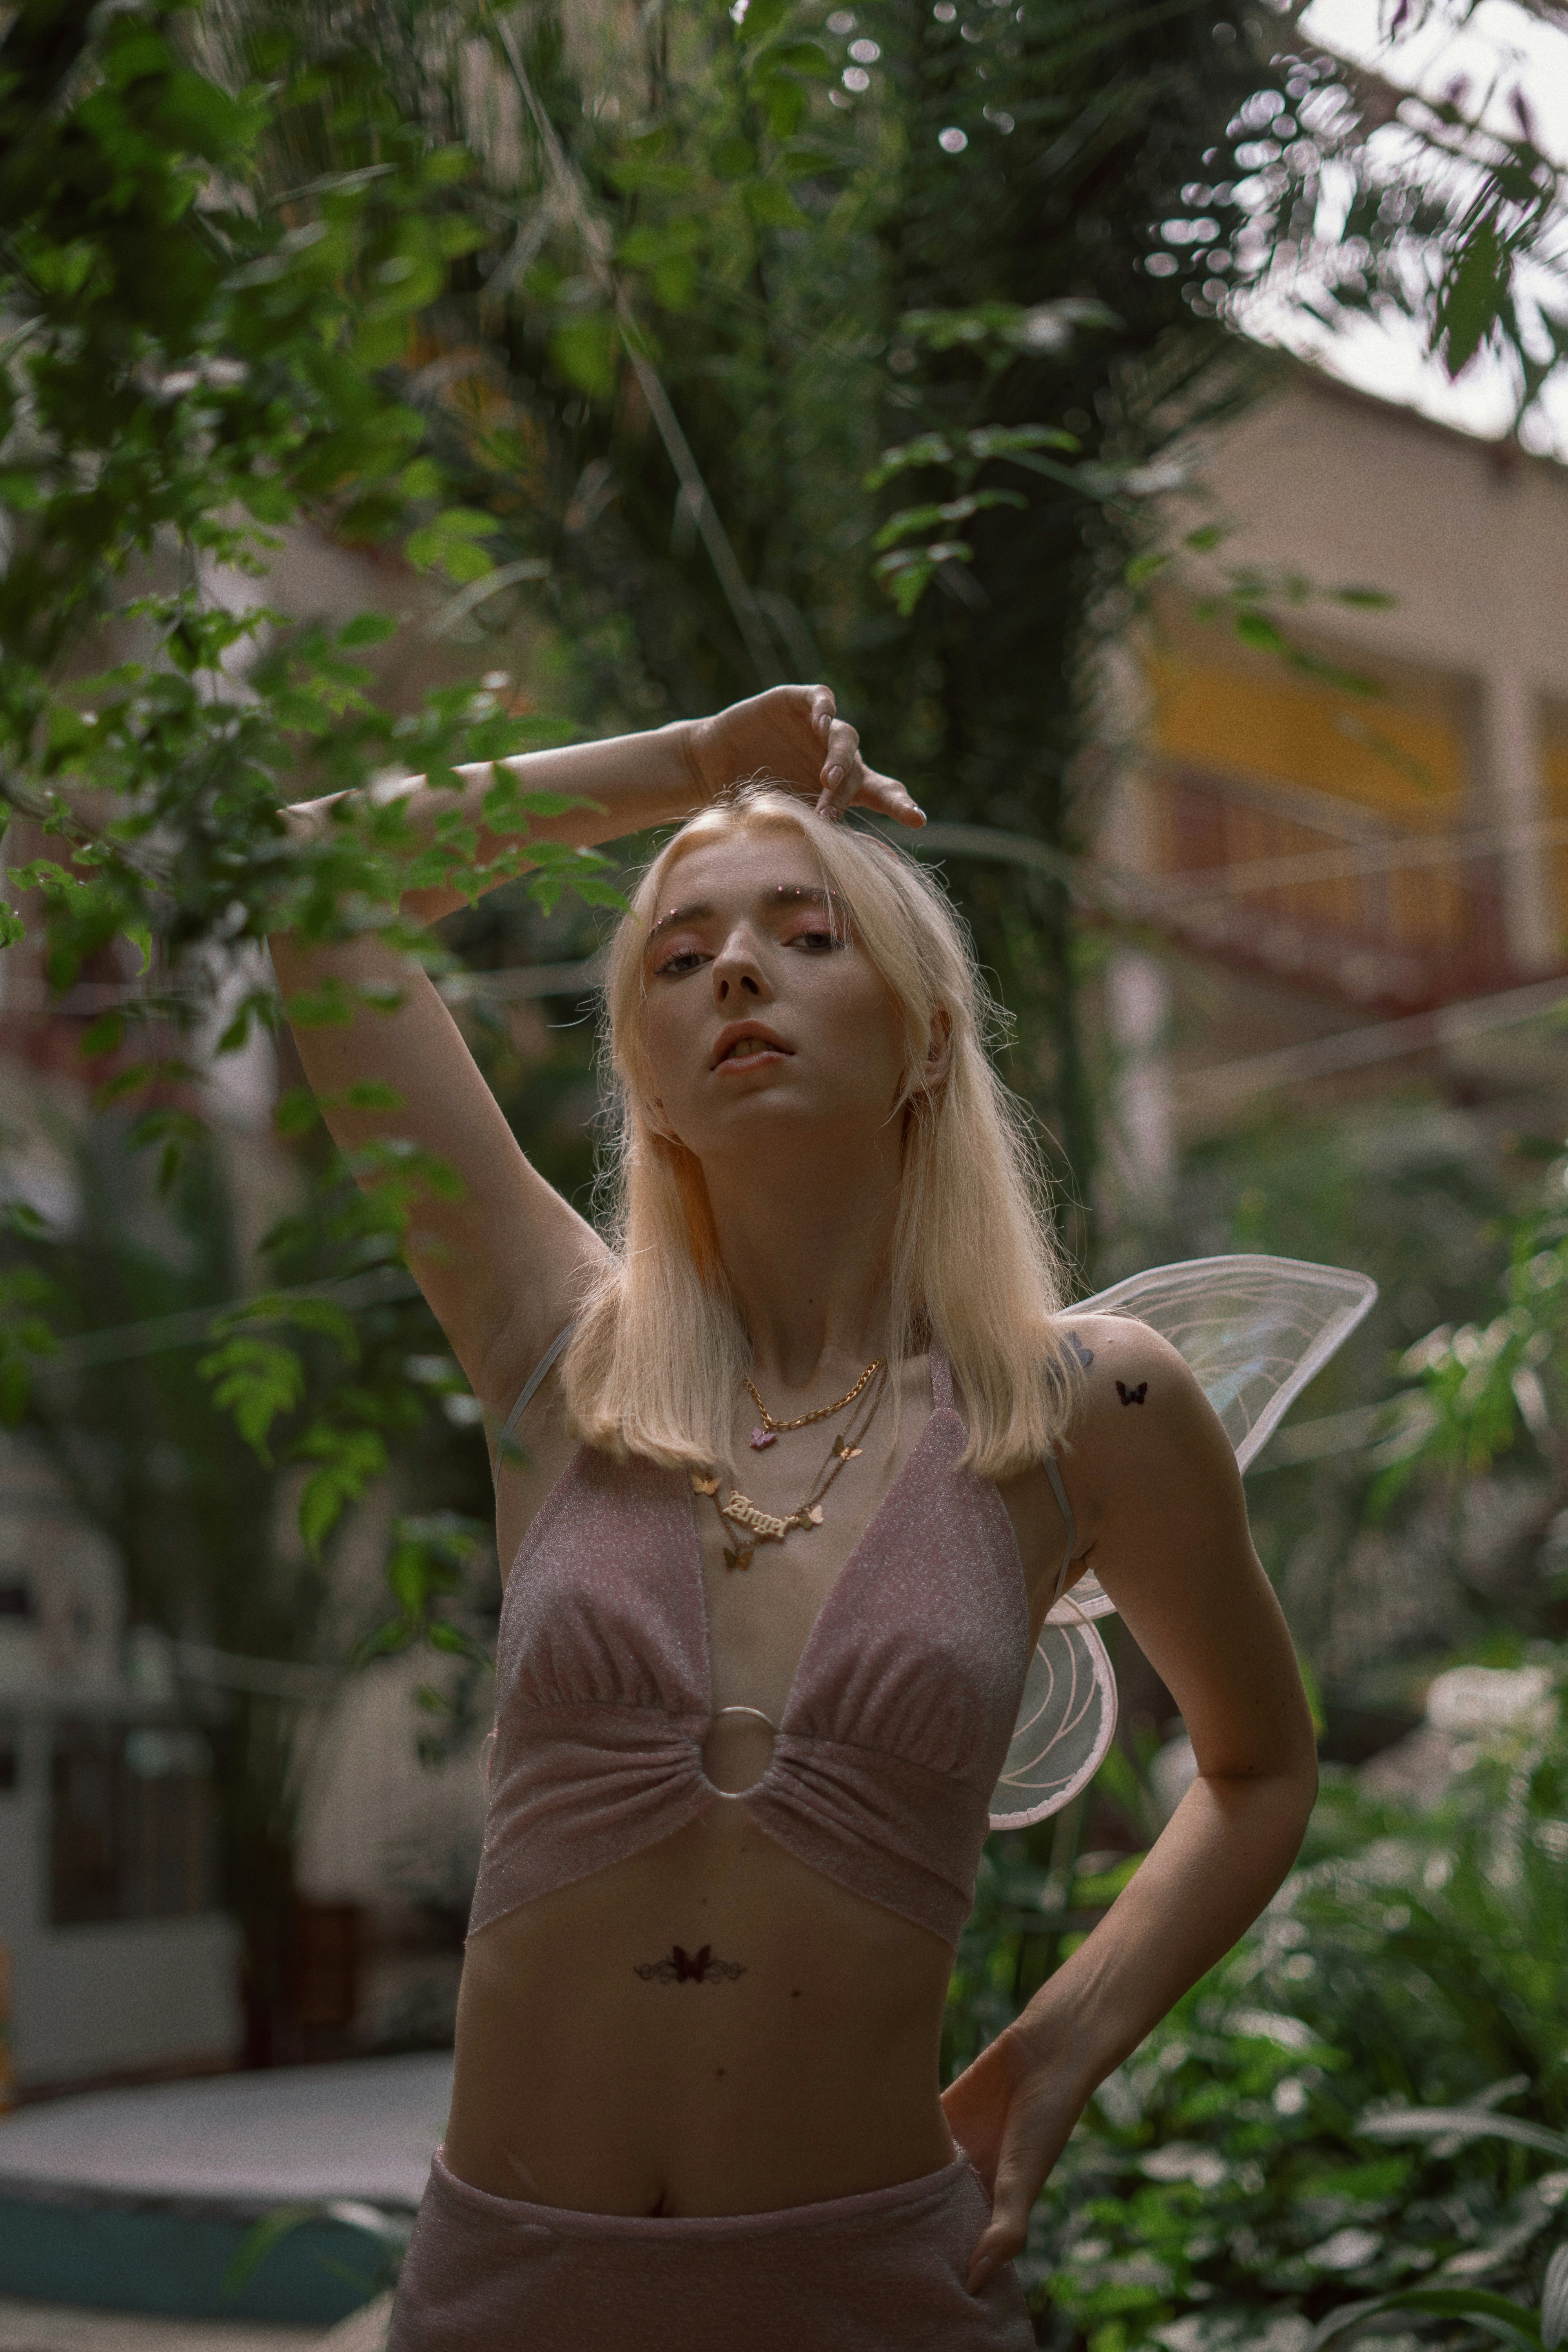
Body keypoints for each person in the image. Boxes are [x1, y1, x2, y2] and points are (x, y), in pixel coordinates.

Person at [269, 685, 1321, 2352]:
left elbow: (1261, 1768)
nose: (738, 973)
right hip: (509, 2299)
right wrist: (690, 766)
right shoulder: (557, 1352)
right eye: (679, 959)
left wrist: (1060, 2050)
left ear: (926, 1036)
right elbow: (315, 885)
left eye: (806, 935)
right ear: (648, 1086)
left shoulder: (1088, 1411)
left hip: (875, 2290)